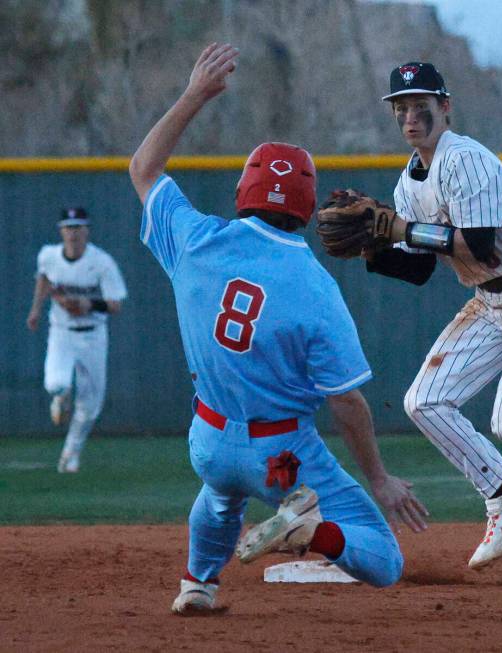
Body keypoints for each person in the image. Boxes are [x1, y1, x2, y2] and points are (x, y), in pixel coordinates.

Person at [129, 42, 428, 615]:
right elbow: (348, 404)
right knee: (386, 561)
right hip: (281, 457)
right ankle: (311, 531)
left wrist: (196, 94)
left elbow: (144, 168)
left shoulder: (196, 241)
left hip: (209, 440)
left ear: (245, 189)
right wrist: (381, 477)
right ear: (306, 206)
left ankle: (198, 583)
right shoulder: (315, 286)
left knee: (219, 492)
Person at [349, 61, 502, 575]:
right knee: (425, 401)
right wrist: (374, 250)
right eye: (402, 108)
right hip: (490, 302)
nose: (411, 117)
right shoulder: (407, 185)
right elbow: (419, 271)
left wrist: (400, 229)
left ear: (445, 107)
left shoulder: (466, 160)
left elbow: (480, 247)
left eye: (421, 106)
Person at [26, 207, 127, 473]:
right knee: (56, 384)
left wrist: (87, 303)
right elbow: (43, 279)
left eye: (78, 227)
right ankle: (61, 397)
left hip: (93, 336)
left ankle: (70, 453)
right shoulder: (49, 256)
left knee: (91, 405)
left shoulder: (101, 262)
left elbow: (116, 304)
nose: (73, 232)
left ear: (87, 230)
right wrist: (36, 310)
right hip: (61, 332)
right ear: (61, 230)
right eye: (68, 227)